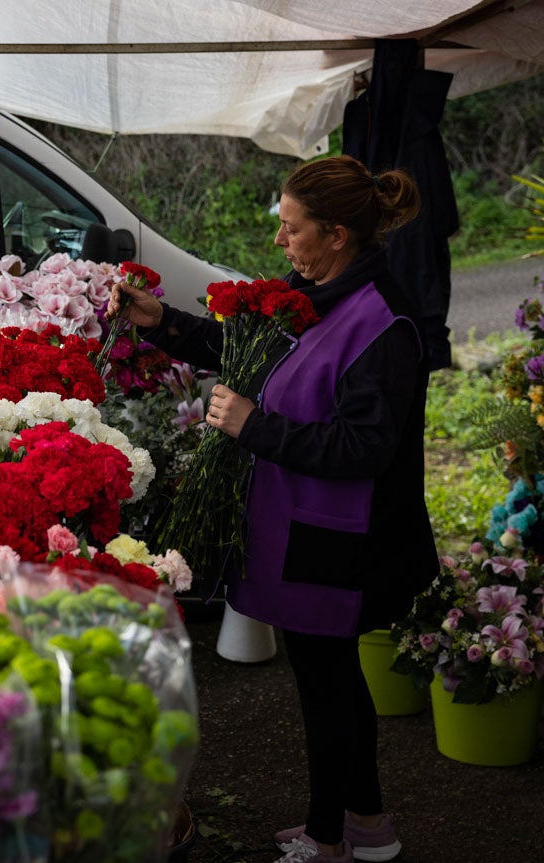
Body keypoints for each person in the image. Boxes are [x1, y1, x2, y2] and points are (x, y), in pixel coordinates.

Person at [110, 154, 438, 863]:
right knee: (333, 679)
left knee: (325, 687)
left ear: (337, 235)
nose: (281, 242)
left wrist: (253, 425)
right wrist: (160, 321)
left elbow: (365, 448)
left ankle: (326, 839)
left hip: (341, 541)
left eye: (292, 229)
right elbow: (247, 345)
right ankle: (369, 827)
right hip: (305, 526)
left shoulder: (382, 323)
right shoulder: (312, 293)